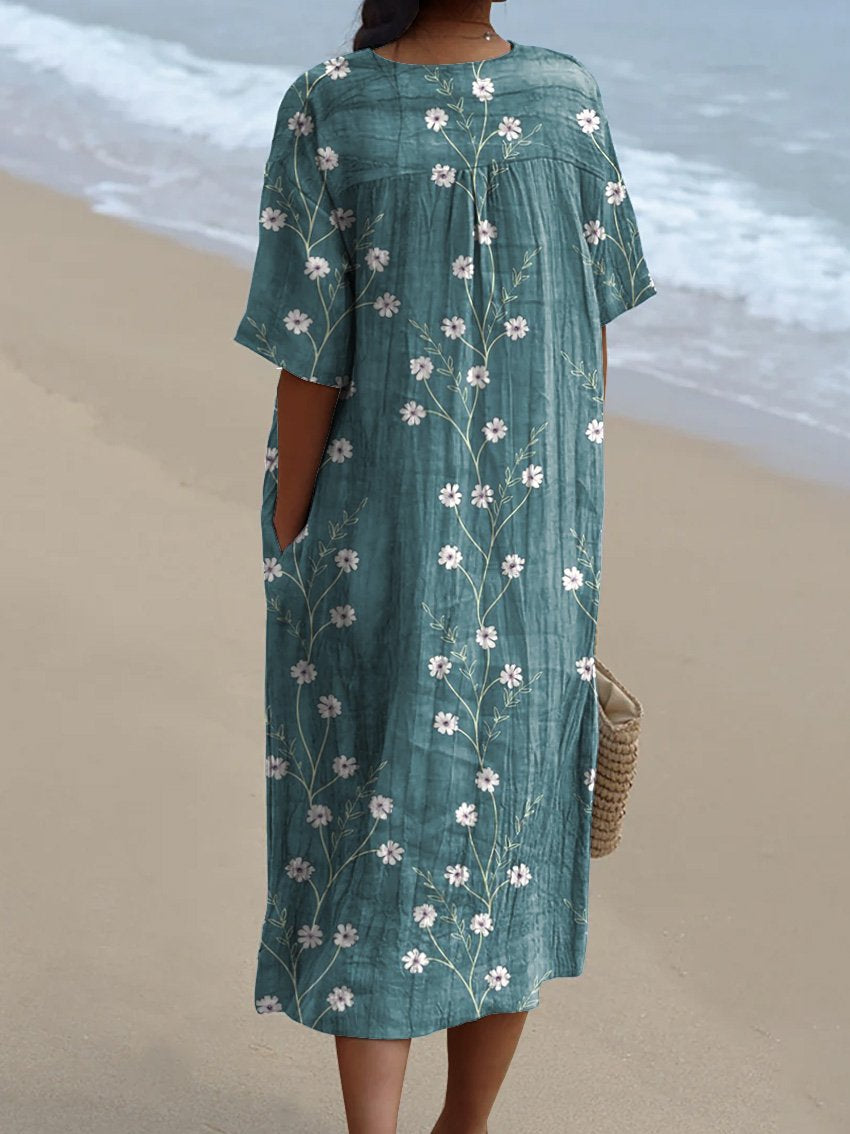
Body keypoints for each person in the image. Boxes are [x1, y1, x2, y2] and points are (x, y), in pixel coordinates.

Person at [233, 1, 657, 1130]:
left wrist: (288, 529)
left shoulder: (332, 102)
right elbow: (589, 341)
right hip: (536, 548)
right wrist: (564, 518)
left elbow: (309, 351)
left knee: (377, 828)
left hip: (378, 533)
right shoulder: (563, 99)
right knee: (512, 841)